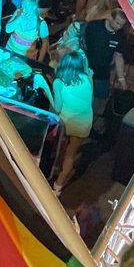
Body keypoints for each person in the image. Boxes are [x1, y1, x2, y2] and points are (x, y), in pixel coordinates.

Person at [46, 49, 95, 195]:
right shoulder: (88, 78)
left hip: (66, 122)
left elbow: (57, 108)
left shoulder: (59, 83)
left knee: (61, 148)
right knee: (70, 154)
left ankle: (54, 171)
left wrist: (46, 91)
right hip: (84, 123)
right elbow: (91, 99)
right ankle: (58, 187)